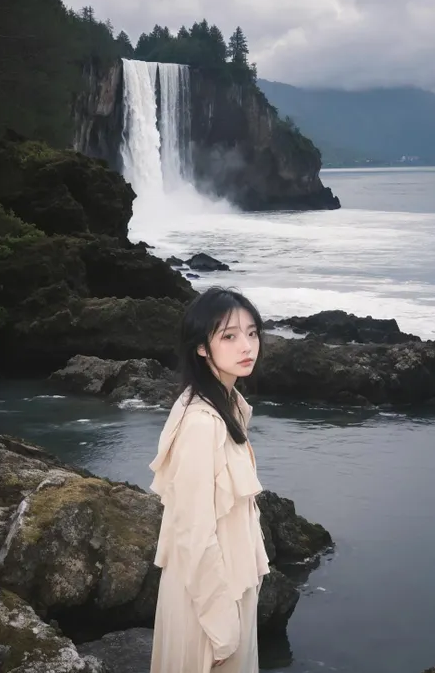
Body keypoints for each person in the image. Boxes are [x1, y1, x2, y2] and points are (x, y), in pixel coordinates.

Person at [148, 286, 270, 673]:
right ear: (202, 347)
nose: (246, 346)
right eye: (229, 336)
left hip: (229, 592)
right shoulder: (202, 423)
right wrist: (222, 627)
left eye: (252, 333)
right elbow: (194, 533)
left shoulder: (227, 404)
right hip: (208, 606)